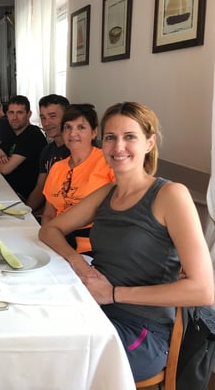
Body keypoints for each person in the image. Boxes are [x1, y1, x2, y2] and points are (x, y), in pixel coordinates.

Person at [39, 101, 213, 382]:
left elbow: (203, 291)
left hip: (143, 331)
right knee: (32, 336)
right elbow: (49, 230)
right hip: (95, 308)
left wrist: (114, 294)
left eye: (129, 136)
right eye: (111, 137)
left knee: (54, 363)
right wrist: (77, 262)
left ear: (149, 143)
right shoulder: (107, 192)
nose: (118, 146)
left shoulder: (171, 195)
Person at [41, 104, 115, 254]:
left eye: (81, 127)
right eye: (67, 127)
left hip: (94, 248)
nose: (72, 133)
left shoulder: (108, 162)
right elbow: (49, 214)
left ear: (94, 132)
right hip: (58, 243)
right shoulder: (57, 168)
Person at [0, 95, 47, 201]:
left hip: (20, 196)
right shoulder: (13, 135)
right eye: (11, 113)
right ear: (7, 114)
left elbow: (5, 169)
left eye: (19, 113)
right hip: (7, 188)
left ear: (29, 114)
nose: (14, 117)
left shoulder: (32, 135)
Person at [26, 94, 71, 216]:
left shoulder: (76, 151)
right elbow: (40, 188)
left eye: (52, 116)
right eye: (43, 118)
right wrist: (25, 212)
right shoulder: (47, 150)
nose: (46, 123)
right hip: (48, 213)